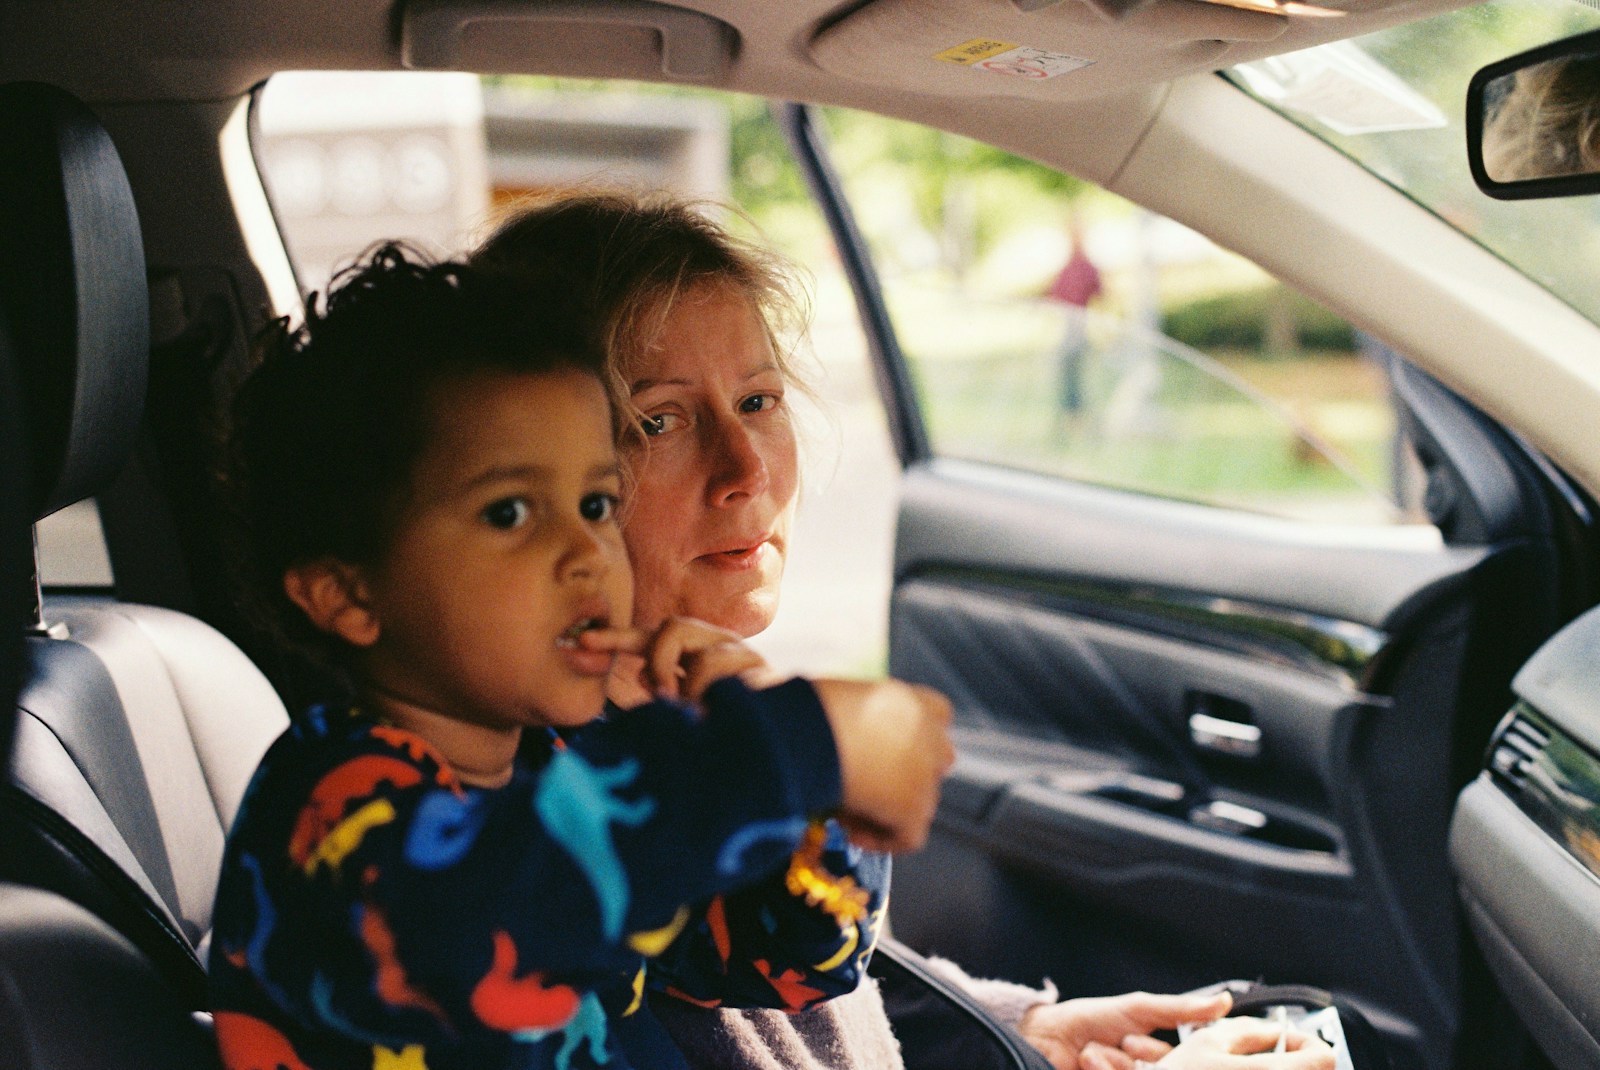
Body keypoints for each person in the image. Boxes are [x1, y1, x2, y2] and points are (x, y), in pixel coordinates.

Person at [470, 191, 1336, 1070]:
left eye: (760, 401)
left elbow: (795, 999)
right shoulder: (526, 813)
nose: (747, 469)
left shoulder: (657, 715)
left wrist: (1017, 1037)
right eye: (659, 420)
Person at [208, 244, 956, 1070]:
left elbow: (791, 962)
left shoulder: (552, 772)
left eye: (596, 502)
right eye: (510, 513)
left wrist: (806, 779)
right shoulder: (327, 809)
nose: (586, 552)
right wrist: (792, 741)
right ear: (348, 594)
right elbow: (489, 920)